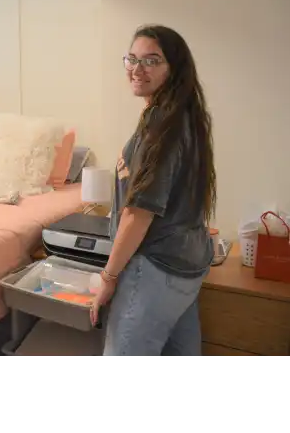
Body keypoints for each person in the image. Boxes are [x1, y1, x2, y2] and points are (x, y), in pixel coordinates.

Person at [90, 25, 217, 358]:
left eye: (151, 60)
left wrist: (109, 276)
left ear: (172, 69)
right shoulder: (186, 116)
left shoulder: (163, 123)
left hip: (157, 266)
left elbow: (139, 213)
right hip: (188, 264)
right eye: (132, 58)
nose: (137, 68)